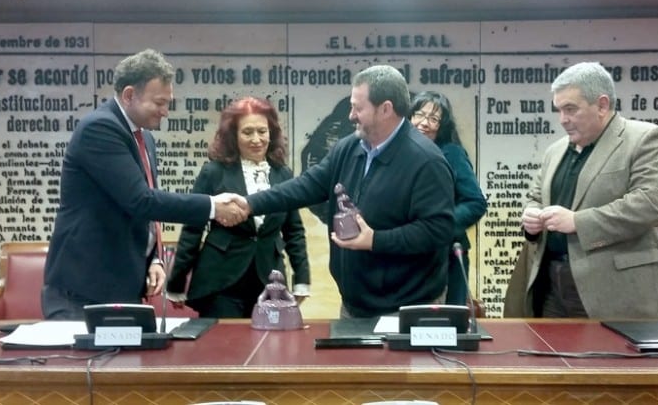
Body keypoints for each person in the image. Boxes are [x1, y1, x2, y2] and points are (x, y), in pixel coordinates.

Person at [235, 65, 456, 318]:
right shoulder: (348, 148)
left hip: (406, 310)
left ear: (385, 109)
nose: (351, 115)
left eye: (358, 108)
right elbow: (307, 185)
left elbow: (438, 230)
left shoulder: (427, 162)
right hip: (354, 306)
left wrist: (375, 240)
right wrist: (249, 204)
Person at [41, 49, 246, 320]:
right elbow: (141, 200)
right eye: (159, 102)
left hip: (123, 287)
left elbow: (146, 209)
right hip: (83, 292)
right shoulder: (99, 128)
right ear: (129, 95)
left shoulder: (144, 137)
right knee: (87, 364)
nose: (166, 112)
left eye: (168, 102)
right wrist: (212, 206)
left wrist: (155, 259)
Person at [515, 61, 658, 319]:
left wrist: (578, 222)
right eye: (559, 110)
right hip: (550, 289)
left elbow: (654, 202)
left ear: (602, 105)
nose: (563, 120)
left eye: (571, 109)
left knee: (610, 360)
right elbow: (536, 196)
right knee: (551, 359)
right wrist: (531, 216)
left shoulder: (645, 139)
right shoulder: (555, 150)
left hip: (617, 294)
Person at [165, 96, 310, 318]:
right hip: (220, 282)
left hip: (269, 282)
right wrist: (176, 283)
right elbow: (193, 230)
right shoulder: (213, 172)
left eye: (262, 131)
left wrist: (302, 279)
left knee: (269, 349)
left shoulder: (283, 174)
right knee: (224, 350)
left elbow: (294, 231)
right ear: (233, 136)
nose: (256, 139)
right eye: (247, 132)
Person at [409, 91, 487, 306]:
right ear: (408, 117)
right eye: (419, 114)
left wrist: (438, 227)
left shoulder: (451, 153)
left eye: (433, 119)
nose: (424, 123)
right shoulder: (398, 154)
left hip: (446, 257)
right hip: (407, 258)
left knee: (447, 327)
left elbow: (475, 202)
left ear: (441, 126)